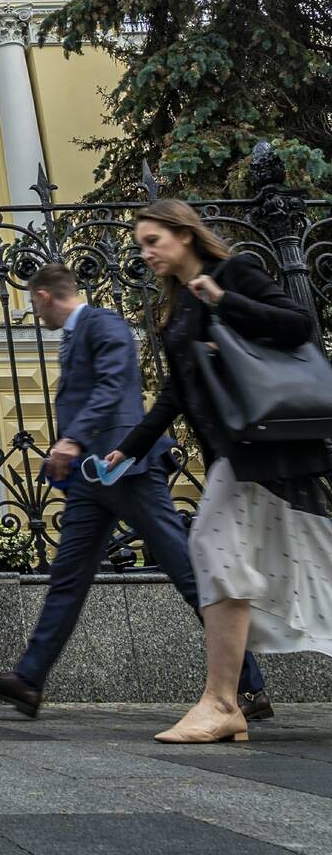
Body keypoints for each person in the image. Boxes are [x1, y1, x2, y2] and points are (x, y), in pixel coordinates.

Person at [0, 261, 269, 721]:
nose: (35, 314)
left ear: (44, 296)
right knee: (67, 579)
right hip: (90, 480)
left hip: (126, 468)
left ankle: (249, 685)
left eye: (34, 303)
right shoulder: (75, 335)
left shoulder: (104, 323)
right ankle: (28, 680)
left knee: (186, 574)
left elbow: (112, 387)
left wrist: (72, 438)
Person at [104, 199, 332, 744]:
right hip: (236, 456)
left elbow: (298, 325)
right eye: (140, 245)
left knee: (212, 546)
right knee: (308, 565)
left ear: (185, 234)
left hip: (265, 450)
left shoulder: (232, 274)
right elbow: (176, 393)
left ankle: (223, 702)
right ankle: (224, 701)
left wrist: (225, 301)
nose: (146, 253)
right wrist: (128, 449)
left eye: (153, 240)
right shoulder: (180, 303)